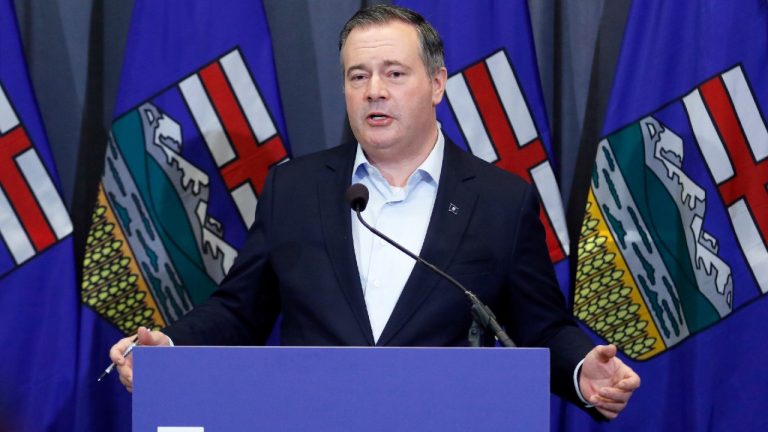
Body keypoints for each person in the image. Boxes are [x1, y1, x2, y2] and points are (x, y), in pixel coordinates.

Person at [110, 5, 640, 420]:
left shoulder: (501, 200)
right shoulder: (293, 188)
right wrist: (171, 348)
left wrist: (579, 370)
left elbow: (538, 325)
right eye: (357, 76)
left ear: (436, 84)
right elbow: (239, 309)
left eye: (394, 73)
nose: (374, 91)